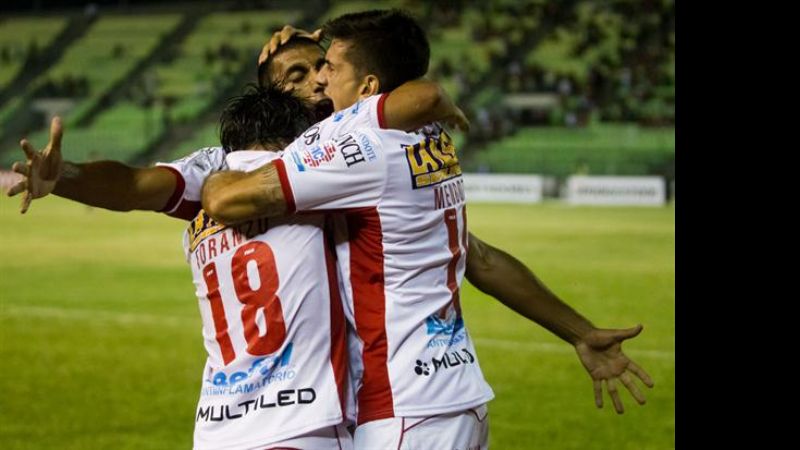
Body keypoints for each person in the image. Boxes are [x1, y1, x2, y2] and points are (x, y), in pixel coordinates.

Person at [201, 9, 653, 449]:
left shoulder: (357, 145)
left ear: (369, 87)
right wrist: (581, 332)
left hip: (404, 409)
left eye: (328, 68)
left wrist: (221, 167)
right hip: (457, 396)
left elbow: (225, 200)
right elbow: (484, 260)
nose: (320, 80)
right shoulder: (425, 136)